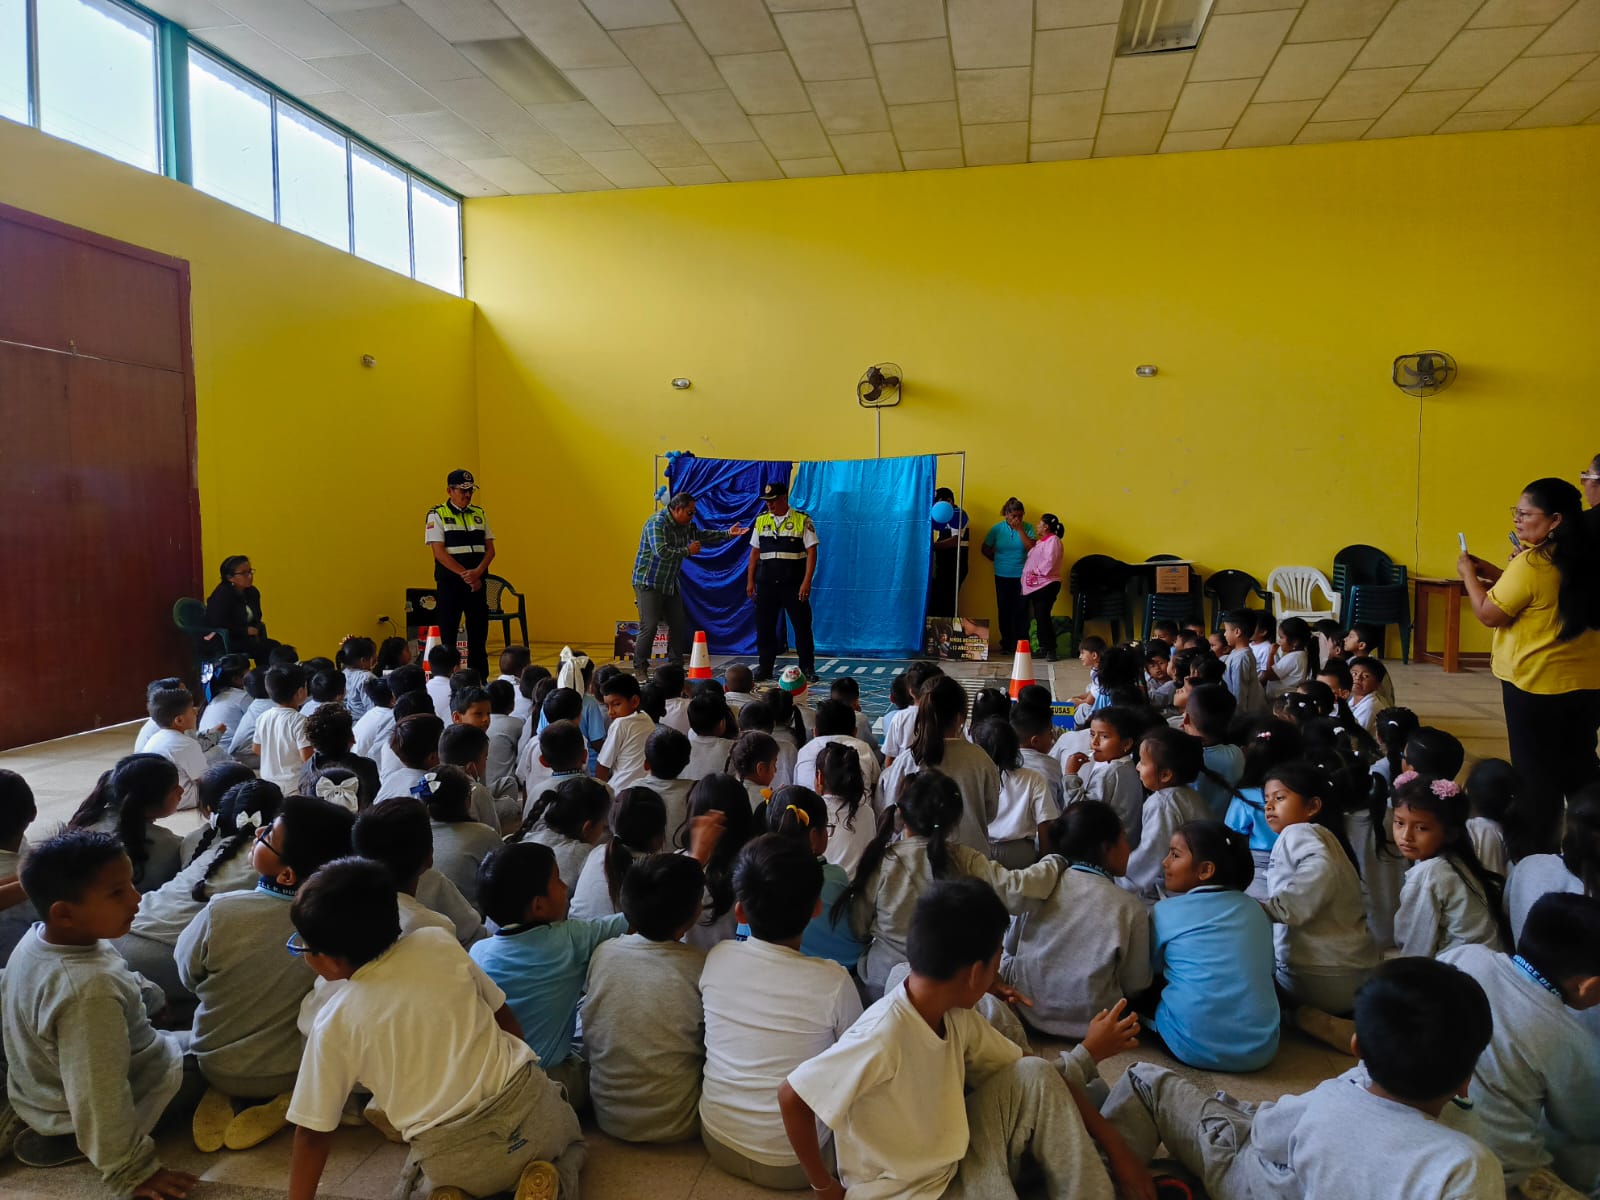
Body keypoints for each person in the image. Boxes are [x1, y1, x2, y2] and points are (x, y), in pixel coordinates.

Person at [780, 877, 1141, 1200]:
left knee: (1037, 1073)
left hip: (953, 1166)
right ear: (974, 974)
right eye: (998, 959)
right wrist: (823, 1186)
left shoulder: (954, 1015)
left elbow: (1039, 1077)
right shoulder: (881, 1035)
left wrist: (1116, 1148)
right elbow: (792, 1096)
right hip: (903, 1192)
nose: (999, 972)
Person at [284, 858, 585, 1200]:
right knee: (573, 1148)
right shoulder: (436, 941)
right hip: (536, 1113)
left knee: (416, 1178)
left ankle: (451, 1192)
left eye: (304, 946)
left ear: (331, 960)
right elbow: (505, 1018)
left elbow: (312, 1135)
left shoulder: (333, 1023)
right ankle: (553, 1182)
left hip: (457, 1157)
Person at [1101, 956, 1504, 1200]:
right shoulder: (1467, 1166)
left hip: (1254, 1179)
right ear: (1466, 1079)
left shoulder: (1332, 1099)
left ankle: (1097, 1183)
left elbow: (1265, 1135)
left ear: (1356, 1048)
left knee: (1146, 1080)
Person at [1, 831, 198, 1199]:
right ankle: (75, 1138)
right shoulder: (88, 991)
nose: (136, 899)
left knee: (192, 1034)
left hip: (42, 1090)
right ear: (64, 913)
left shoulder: (43, 938)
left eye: (131, 885)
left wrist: (149, 997)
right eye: (117, 893)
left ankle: (56, 1125)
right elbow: (98, 1089)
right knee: (215, 1057)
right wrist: (130, 1170)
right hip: (80, 1101)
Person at [178, 795, 353, 1154]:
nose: (257, 832)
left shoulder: (221, 911)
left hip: (214, 1062)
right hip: (294, 1068)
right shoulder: (338, 924)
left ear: (286, 874)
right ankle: (286, 1099)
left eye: (268, 835)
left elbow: (187, 975)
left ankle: (225, 1091)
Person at [699, 834, 863, 1188]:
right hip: (795, 1165)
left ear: (740, 911)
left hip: (716, 1139)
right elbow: (856, 1064)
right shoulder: (834, 982)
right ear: (816, 908)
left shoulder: (717, 958)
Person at [1459, 477, 1600, 849]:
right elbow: (1543, 597)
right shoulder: (1588, 558)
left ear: (1555, 519)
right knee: (1580, 765)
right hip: (1588, 684)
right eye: (1516, 513)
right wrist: (1499, 572)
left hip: (1535, 685)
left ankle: (1536, 853)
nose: (1517, 520)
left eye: (1525, 514)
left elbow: (1489, 613)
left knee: (1536, 775)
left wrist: (1469, 575)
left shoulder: (1533, 563)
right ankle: (1589, 847)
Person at [1441, 894, 1600, 1198]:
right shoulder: (1572, 1041)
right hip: (1505, 1171)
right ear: (1587, 985)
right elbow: (1585, 1125)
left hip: (1433, 1129)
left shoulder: (1465, 955)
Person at [581, 852, 708, 1143]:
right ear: (694, 913)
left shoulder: (603, 953)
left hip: (607, 1116)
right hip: (679, 1122)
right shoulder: (700, 966)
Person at [1001, 800, 1151, 1039]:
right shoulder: (1131, 908)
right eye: (1124, 839)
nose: (1128, 848)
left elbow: (1010, 946)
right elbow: (1136, 984)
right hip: (1094, 1023)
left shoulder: (1040, 886)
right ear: (1106, 848)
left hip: (1029, 1012)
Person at [1149, 820, 1280, 1072]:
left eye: (1175, 855)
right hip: (1261, 1049)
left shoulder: (1164, 911)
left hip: (1189, 1045)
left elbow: (1149, 970)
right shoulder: (1256, 909)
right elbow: (1268, 970)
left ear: (1205, 870)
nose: (1165, 862)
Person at [1392, 772, 1509, 958]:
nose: (1406, 836)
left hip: (1459, 968)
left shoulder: (1429, 873)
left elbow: (1416, 947)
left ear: (1450, 833)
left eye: (1421, 828)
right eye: (1399, 823)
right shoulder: (1456, 860)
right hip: (1482, 963)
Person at [632, 491, 749, 675]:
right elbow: (661, 551)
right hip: (649, 582)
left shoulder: (685, 524)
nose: (692, 516)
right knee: (650, 625)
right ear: (677, 509)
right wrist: (688, 551)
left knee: (678, 623)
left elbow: (701, 535)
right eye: (690, 512)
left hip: (670, 583)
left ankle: (675, 665)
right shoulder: (657, 523)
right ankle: (640, 667)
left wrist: (727, 534)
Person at [68, 754, 184, 894]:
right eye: (174, 788)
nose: (181, 790)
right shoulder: (170, 845)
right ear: (148, 799)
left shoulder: (88, 820)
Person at [424, 468, 496, 680]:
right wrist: (466, 575)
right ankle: (448, 681)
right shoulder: (437, 514)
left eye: (470, 490)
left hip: (477, 585)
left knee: (478, 636)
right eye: (462, 490)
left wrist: (477, 574)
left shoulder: (479, 513)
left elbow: (490, 550)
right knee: (448, 637)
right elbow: (439, 552)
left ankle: (479, 680)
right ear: (450, 490)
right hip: (450, 586)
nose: (467, 495)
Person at [747, 480, 819, 683]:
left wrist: (806, 582)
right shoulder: (761, 520)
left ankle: (807, 667)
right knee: (764, 628)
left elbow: (812, 551)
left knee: (802, 627)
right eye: (767, 501)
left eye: (773, 500)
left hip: (793, 585)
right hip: (767, 585)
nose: (770, 504)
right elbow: (754, 553)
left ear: (784, 498)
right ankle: (765, 668)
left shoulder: (802, 520)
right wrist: (750, 581)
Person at [980, 498, 1035, 656]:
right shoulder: (997, 529)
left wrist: (1020, 530)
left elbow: (1032, 548)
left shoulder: (1028, 528)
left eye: (1020, 516)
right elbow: (985, 547)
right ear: (1006, 515)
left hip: (1022, 575)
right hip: (1002, 575)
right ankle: (1006, 644)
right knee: (1004, 609)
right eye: (1013, 516)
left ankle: (1021, 644)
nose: (1017, 519)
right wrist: (996, 559)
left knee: (1021, 610)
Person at [143, 685, 210, 812]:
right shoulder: (186, 744)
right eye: (192, 709)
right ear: (179, 720)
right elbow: (205, 779)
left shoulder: (154, 738)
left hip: (157, 798)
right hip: (182, 797)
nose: (196, 712)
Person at [204, 555, 275, 663]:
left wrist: (255, 630)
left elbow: (257, 616)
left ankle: (267, 672)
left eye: (250, 571)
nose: (250, 576)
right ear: (230, 577)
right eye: (244, 573)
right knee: (266, 649)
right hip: (227, 639)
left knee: (274, 648)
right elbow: (218, 623)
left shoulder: (252, 592)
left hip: (247, 638)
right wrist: (244, 631)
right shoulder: (222, 594)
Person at [254, 665, 312, 796]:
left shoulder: (263, 717)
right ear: (300, 692)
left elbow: (256, 749)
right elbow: (307, 757)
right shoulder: (300, 720)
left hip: (268, 781)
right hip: (294, 785)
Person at [1021, 512, 1065, 661]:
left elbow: (1049, 562)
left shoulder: (1053, 541)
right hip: (1037, 585)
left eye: (1040, 524)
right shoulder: (1042, 542)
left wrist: (1035, 572)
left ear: (1046, 527)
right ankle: (1043, 647)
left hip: (1047, 584)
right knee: (1039, 617)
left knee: (1043, 616)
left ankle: (1051, 648)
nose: (1037, 526)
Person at [928, 486, 971, 617]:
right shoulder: (938, 516)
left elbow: (955, 540)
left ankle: (949, 626)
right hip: (941, 564)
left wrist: (933, 546)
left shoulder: (958, 514)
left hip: (955, 564)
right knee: (939, 598)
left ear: (949, 501)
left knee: (949, 600)